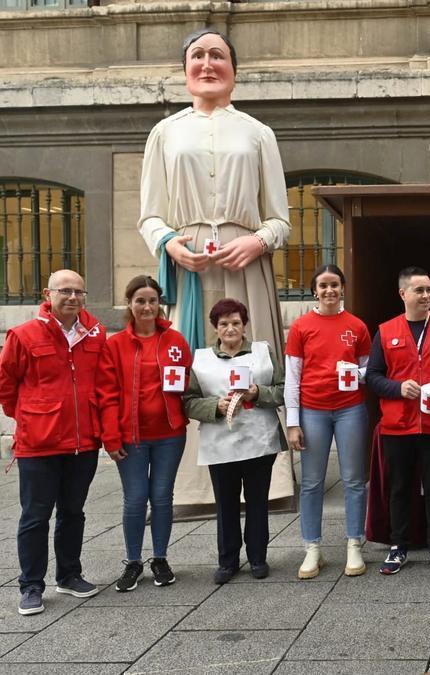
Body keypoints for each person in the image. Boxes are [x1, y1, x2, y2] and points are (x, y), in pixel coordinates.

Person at [138, 28, 294, 506]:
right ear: (185, 71)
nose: (208, 64)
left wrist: (257, 241)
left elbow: (280, 219)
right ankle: (192, 484)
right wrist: (169, 244)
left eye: (218, 56)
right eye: (198, 56)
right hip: (190, 266)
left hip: (245, 261)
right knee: (192, 362)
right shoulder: (165, 133)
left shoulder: (257, 132)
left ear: (234, 70)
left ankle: (268, 477)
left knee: (254, 361)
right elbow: (149, 215)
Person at [0, 269, 106, 615]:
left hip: (83, 442)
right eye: (65, 291)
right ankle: (31, 586)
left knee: (73, 513)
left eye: (79, 292)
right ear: (48, 294)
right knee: (36, 516)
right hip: (39, 446)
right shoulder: (24, 336)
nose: (73, 298)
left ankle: (69, 575)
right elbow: (2, 387)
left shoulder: (96, 335)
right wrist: (32, 417)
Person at [366, 266, 430, 575]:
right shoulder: (386, 330)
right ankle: (398, 547)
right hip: (398, 424)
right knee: (399, 488)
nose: (426, 296)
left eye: (429, 290)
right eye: (419, 290)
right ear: (403, 294)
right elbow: (372, 376)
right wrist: (398, 388)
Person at [97, 275, 192, 592]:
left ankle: (161, 558)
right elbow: (107, 394)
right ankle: (133, 561)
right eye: (141, 300)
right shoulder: (115, 345)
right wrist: (111, 437)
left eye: (152, 300)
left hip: (170, 435)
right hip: (131, 437)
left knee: (163, 497)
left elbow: (187, 383)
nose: (147, 306)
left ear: (160, 303)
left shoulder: (176, 341)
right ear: (130, 304)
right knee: (136, 499)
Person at [182, 299, 287, 584]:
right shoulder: (200, 359)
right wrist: (215, 406)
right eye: (224, 323)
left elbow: (281, 390)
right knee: (225, 504)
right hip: (220, 443)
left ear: (244, 326)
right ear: (215, 327)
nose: (230, 328)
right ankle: (227, 561)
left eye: (236, 323)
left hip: (259, 440)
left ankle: (257, 557)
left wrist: (257, 393)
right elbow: (188, 402)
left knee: (257, 502)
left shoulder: (262, 352)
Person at [284, 265, 372, 579]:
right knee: (311, 482)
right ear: (314, 290)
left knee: (353, 479)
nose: (329, 291)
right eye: (323, 285)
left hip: (350, 408)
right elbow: (292, 378)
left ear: (343, 288)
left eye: (334, 284)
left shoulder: (357, 326)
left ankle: (353, 543)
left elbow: (367, 370)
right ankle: (312, 548)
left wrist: (354, 374)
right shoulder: (301, 327)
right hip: (313, 410)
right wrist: (293, 422)